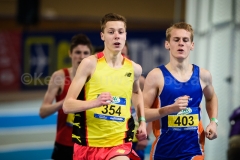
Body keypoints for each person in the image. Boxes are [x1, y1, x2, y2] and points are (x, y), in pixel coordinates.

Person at [63, 13, 147, 160]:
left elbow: (137, 92)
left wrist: (142, 121)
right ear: (102, 36)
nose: (116, 36)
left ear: (125, 36)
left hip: (119, 143)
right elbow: (67, 105)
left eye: (120, 32)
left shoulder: (134, 69)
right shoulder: (89, 64)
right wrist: (95, 103)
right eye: (111, 32)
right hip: (88, 144)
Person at [143, 22, 218, 160]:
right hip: (163, 150)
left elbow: (211, 97)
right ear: (167, 44)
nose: (181, 44)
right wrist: (170, 109)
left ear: (192, 45)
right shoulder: (156, 76)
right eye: (176, 40)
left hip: (193, 150)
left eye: (185, 40)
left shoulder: (203, 75)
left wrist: (213, 121)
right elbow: (144, 114)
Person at [39, 34, 93, 160]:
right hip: (65, 143)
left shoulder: (96, 78)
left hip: (88, 142)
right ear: (70, 53)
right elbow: (43, 112)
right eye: (77, 52)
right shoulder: (60, 77)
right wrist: (65, 102)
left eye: (86, 53)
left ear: (90, 55)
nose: (81, 56)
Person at [122, 42, 152, 160]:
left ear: (128, 56)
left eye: (123, 53)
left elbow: (154, 108)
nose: (121, 56)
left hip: (135, 140)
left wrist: (146, 136)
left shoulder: (140, 80)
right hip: (113, 137)